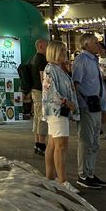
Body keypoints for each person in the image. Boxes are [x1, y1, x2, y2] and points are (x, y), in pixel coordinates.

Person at [41, 41, 79, 193]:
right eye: (62, 51)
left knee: (52, 144)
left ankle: (50, 177)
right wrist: (66, 102)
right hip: (57, 110)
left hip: (57, 111)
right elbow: (52, 92)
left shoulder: (57, 68)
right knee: (61, 145)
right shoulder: (51, 69)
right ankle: (62, 181)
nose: (65, 53)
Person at [72, 33, 106, 190]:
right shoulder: (82, 60)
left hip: (95, 106)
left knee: (95, 143)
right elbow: (76, 83)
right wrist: (85, 101)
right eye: (95, 42)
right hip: (88, 106)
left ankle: (90, 173)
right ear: (86, 45)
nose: (98, 45)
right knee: (86, 142)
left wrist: (103, 106)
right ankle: (83, 175)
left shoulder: (93, 60)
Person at [28, 39, 49, 155]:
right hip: (41, 92)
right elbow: (43, 78)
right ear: (41, 46)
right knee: (42, 117)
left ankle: (37, 143)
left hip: (34, 91)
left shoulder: (33, 58)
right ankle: (41, 144)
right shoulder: (42, 59)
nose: (48, 48)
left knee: (36, 117)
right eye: (47, 46)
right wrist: (47, 91)